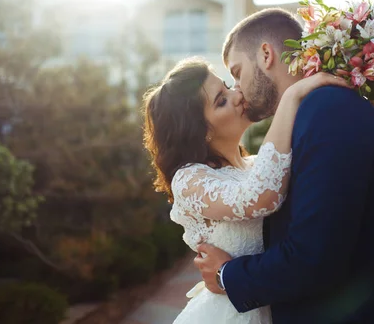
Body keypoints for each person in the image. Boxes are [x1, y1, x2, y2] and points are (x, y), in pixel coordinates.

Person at [193, 8, 374, 323]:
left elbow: (314, 259)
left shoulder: (328, 112)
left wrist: (226, 274)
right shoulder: (314, 115)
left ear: (265, 55)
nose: (237, 90)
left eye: (237, 72)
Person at [142, 55, 355, 323]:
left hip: (282, 305)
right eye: (221, 101)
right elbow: (262, 197)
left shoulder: (256, 165)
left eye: (227, 87)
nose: (237, 95)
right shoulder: (189, 180)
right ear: (200, 131)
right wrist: (291, 96)